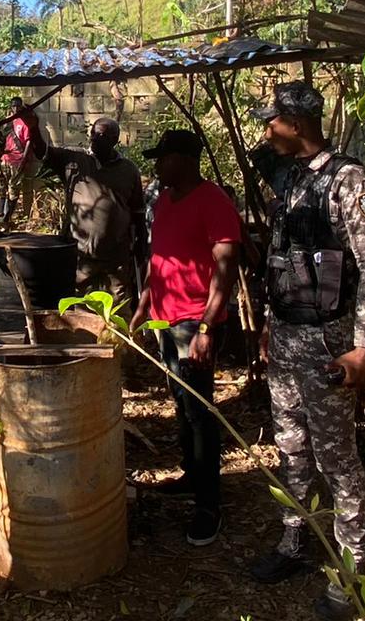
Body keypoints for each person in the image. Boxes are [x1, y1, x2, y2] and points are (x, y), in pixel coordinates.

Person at [245, 82, 365, 621]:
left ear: (297, 124)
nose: (267, 132)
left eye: (272, 122)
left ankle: (351, 572)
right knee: (291, 447)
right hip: (286, 337)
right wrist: (266, 323)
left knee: (336, 456)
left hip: (329, 342)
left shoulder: (348, 180)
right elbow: (280, 257)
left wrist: (364, 347)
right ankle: (296, 543)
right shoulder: (292, 180)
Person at [128, 129, 240, 547]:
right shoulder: (164, 201)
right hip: (165, 318)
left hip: (195, 322)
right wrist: (144, 304)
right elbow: (161, 261)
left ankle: (210, 505)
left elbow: (225, 269)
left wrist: (208, 327)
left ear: (185, 160)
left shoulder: (214, 202)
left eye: (163, 158)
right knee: (180, 403)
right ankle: (192, 477)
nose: (157, 166)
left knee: (200, 410)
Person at [18, 108, 146, 307]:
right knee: (79, 306)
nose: (94, 138)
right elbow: (42, 151)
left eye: (101, 135)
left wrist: (141, 246)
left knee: (119, 306)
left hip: (116, 256)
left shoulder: (129, 170)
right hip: (80, 255)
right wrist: (33, 128)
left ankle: (118, 338)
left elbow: (138, 212)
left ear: (114, 140)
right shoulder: (73, 162)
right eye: (93, 133)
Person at [0, 96, 35, 225]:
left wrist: (24, 158)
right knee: (1, 187)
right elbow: (0, 140)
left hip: (17, 160)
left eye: (18, 105)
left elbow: (29, 140)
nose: (15, 108)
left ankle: (7, 218)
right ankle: (0, 215)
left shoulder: (24, 122)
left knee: (13, 189)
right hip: (5, 159)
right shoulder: (7, 121)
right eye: (13, 106)